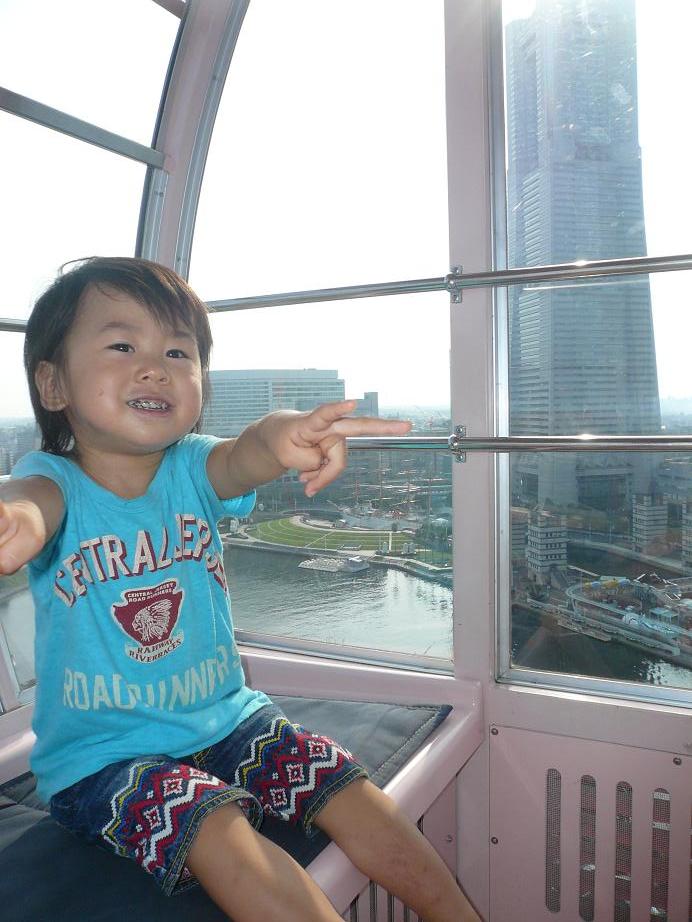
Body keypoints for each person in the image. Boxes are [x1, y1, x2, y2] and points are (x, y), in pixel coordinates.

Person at [0, 257, 480, 922]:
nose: (155, 367)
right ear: (53, 383)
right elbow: (30, 502)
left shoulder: (192, 467)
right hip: (103, 758)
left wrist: (282, 435)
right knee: (212, 821)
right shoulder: (53, 482)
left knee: (344, 785)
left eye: (178, 352)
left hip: (228, 721)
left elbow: (245, 453)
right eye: (122, 346)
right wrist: (16, 520)